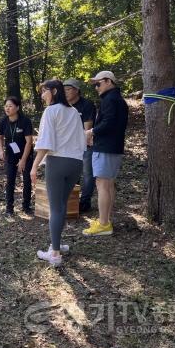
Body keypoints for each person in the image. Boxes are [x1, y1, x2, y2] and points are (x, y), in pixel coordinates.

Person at [30, 80, 86, 266]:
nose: (42, 95)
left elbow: (45, 143)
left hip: (57, 162)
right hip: (76, 163)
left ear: (54, 91)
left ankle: (54, 254)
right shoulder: (74, 112)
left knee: (55, 208)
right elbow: (82, 141)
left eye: (44, 91)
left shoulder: (51, 111)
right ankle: (57, 244)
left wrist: (34, 166)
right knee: (61, 205)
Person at [82, 71, 128, 236]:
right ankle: (105, 220)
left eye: (98, 83)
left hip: (106, 148)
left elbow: (109, 124)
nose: (96, 87)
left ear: (108, 81)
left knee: (102, 184)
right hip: (111, 147)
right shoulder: (116, 99)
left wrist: (91, 132)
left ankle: (103, 224)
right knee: (107, 184)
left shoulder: (110, 100)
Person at [0, 96, 34, 216]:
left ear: (17, 107)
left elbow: (29, 142)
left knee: (27, 181)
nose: (7, 108)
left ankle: (26, 206)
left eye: (10, 106)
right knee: (10, 180)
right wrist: (1, 150)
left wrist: (23, 160)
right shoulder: (3, 121)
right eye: (6, 106)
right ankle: (9, 208)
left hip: (25, 154)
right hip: (10, 155)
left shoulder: (25, 121)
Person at [63, 78, 97, 212]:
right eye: (64, 90)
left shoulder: (87, 104)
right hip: (69, 146)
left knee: (88, 174)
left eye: (68, 89)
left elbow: (87, 128)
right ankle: (72, 201)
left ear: (77, 90)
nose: (65, 92)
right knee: (72, 174)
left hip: (85, 145)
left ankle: (85, 202)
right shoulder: (63, 105)